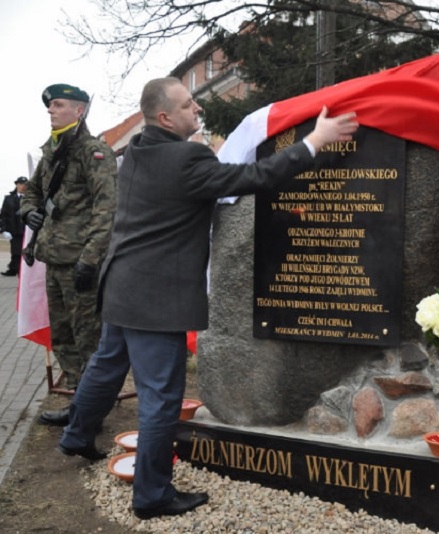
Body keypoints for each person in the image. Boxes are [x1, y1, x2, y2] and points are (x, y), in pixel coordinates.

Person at [58, 77, 358, 520]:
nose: (197, 110)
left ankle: (77, 436)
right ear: (165, 117)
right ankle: (152, 495)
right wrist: (315, 140)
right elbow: (255, 176)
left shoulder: (138, 149)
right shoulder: (187, 156)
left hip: (121, 285)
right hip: (155, 300)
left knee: (106, 366)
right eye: (187, 105)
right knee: (160, 398)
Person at [20, 84, 117, 426]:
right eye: (50, 106)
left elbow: (107, 211)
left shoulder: (94, 153)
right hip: (53, 258)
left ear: (79, 111)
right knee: (63, 337)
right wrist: (28, 211)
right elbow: (31, 192)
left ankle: (93, 411)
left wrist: (91, 259)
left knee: (88, 338)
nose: (51, 110)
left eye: (58, 105)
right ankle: (79, 402)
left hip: (79, 262)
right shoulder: (52, 151)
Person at [0, 177, 28, 276]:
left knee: (26, 252)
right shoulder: (8, 198)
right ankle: (14, 269)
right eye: (20, 184)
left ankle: (21, 271)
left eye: (25, 184)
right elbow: (3, 215)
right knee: (15, 252)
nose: (23, 186)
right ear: (16, 185)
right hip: (13, 230)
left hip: (27, 231)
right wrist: (3, 230)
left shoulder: (30, 198)